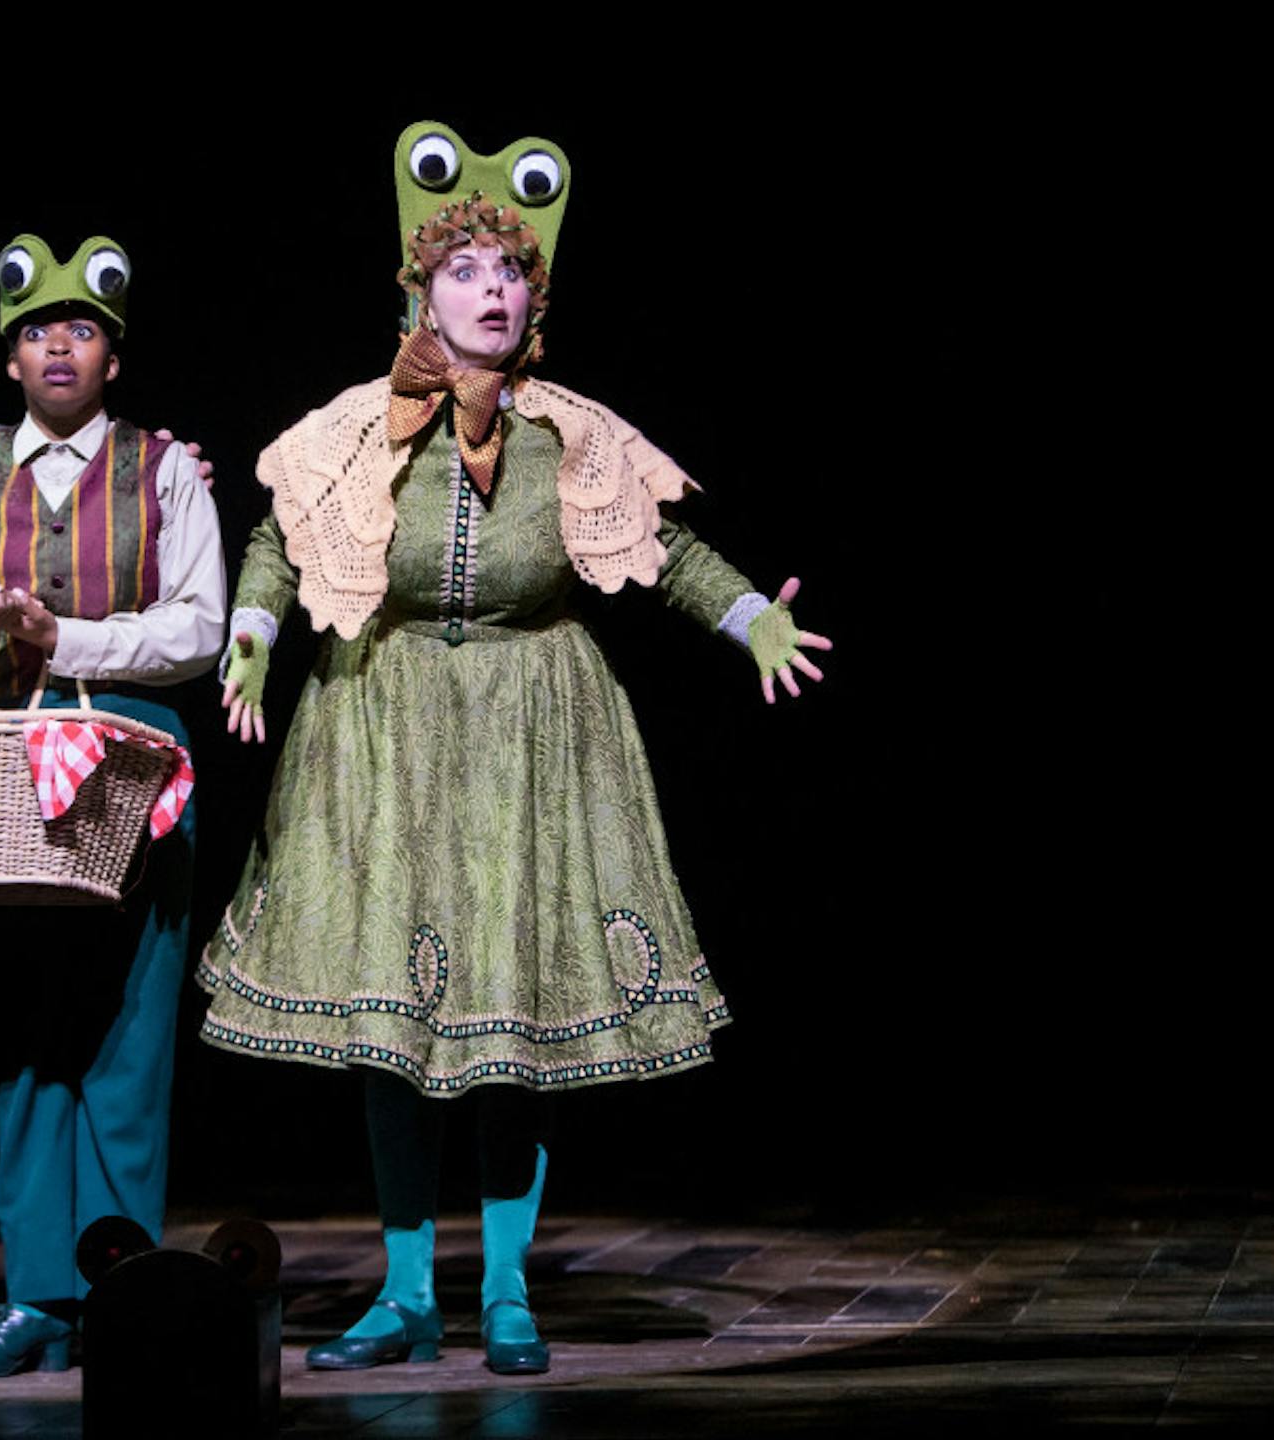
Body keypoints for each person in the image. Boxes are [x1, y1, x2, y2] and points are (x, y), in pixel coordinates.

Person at [196, 122, 834, 1376]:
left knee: (509, 1023)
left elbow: (665, 549)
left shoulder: (568, 433)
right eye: (466, 270)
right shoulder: (354, 426)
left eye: (510, 272)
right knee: (391, 1025)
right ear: (419, 292)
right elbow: (280, 534)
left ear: (536, 298)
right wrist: (255, 629)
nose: (492, 291)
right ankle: (402, 1293)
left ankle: (503, 1289)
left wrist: (753, 616)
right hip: (381, 731)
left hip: (530, 734)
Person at [0, 233, 226, 1379]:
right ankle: (37, 1294)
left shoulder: (165, 470)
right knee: (25, 1034)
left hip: (134, 762)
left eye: (81, 330)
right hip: (10, 764)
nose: (57, 347)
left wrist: (68, 636)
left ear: (111, 359)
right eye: (37, 330)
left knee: (129, 1037)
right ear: (10, 357)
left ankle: (122, 1290)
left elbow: (200, 624)